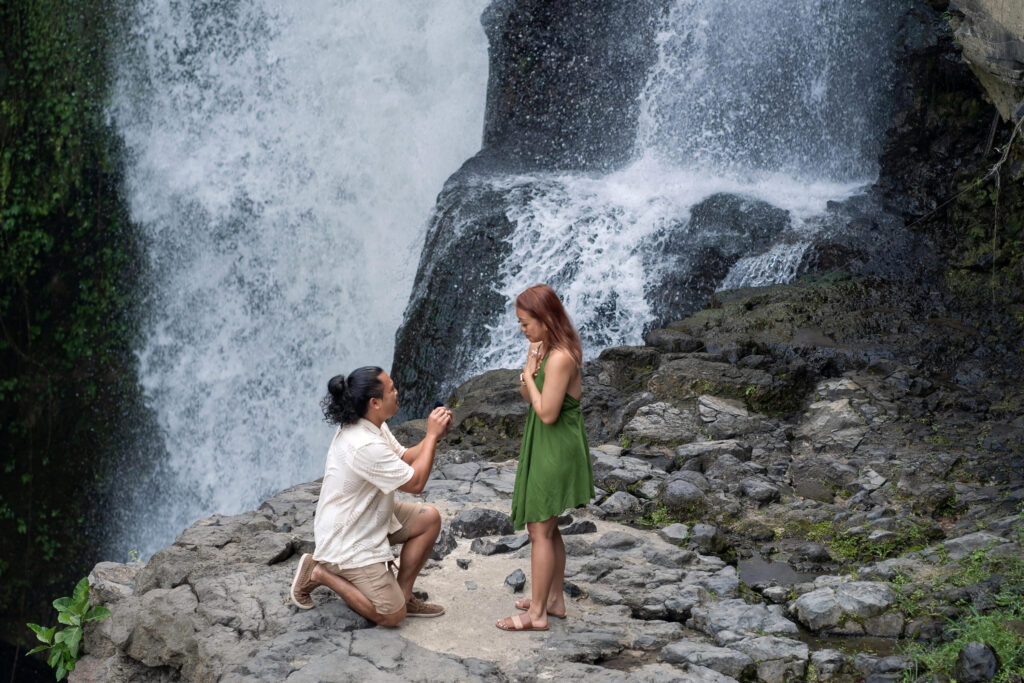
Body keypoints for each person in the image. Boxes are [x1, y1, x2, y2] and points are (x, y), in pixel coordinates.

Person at [289, 366, 452, 626]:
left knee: (428, 519)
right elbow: (416, 482)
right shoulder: (363, 444)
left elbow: (405, 458)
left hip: (368, 518)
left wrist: (435, 437)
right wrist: (431, 435)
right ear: (375, 402)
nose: (397, 392)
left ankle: (404, 595)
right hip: (347, 538)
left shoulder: (371, 423)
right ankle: (319, 572)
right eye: (391, 389)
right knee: (391, 615)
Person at [496, 284, 595, 632]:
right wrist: (528, 366)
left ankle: (537, 614)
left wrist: (530, 377)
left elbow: (548, 412)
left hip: (556, 445)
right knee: (549, 529)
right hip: (546, 443)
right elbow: (528, 396)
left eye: (526, 323)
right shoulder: (546, 350)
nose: (522, 330)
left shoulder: (561, 358)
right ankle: (554, 600)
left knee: (539, 527)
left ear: (545, 318)